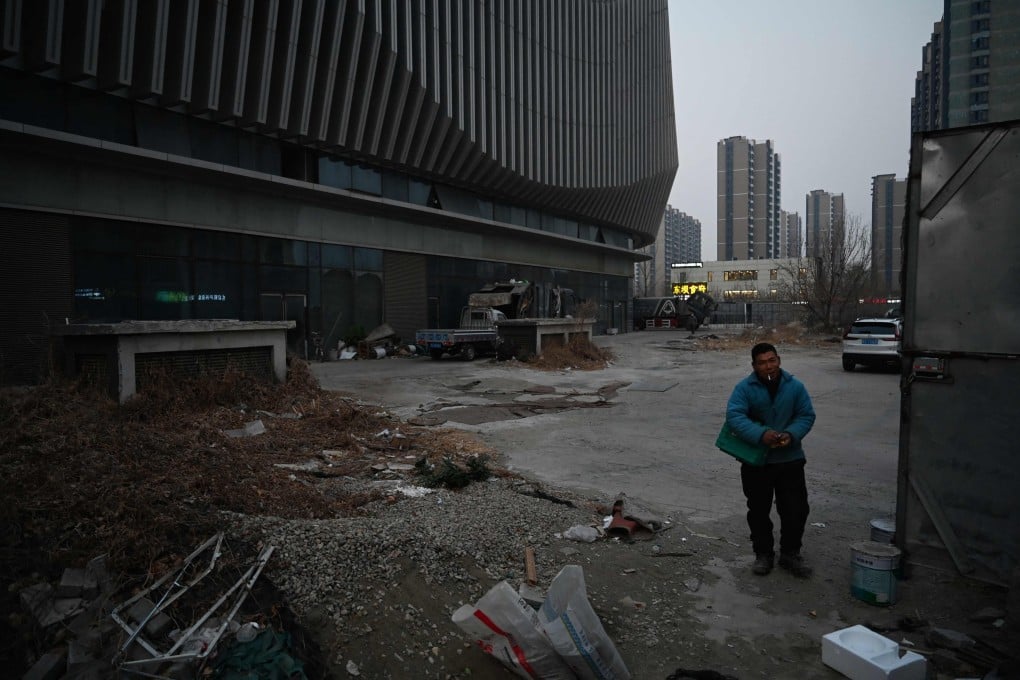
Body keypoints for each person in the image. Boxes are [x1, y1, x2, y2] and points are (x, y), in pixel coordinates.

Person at [726, 342, 816, 577]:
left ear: (779, 360)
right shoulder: (744, 388)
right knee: (758, 510)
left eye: (772, 360)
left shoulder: (795, 386)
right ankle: (763, 555)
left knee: (795, 510)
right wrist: (760, 435)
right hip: (757, 462)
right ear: (754, 365)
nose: (769, 366)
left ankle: (790, 554)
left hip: (791, 459)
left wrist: (791, 434)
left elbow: (806, 414)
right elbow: (735, 416)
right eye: (763, 362)